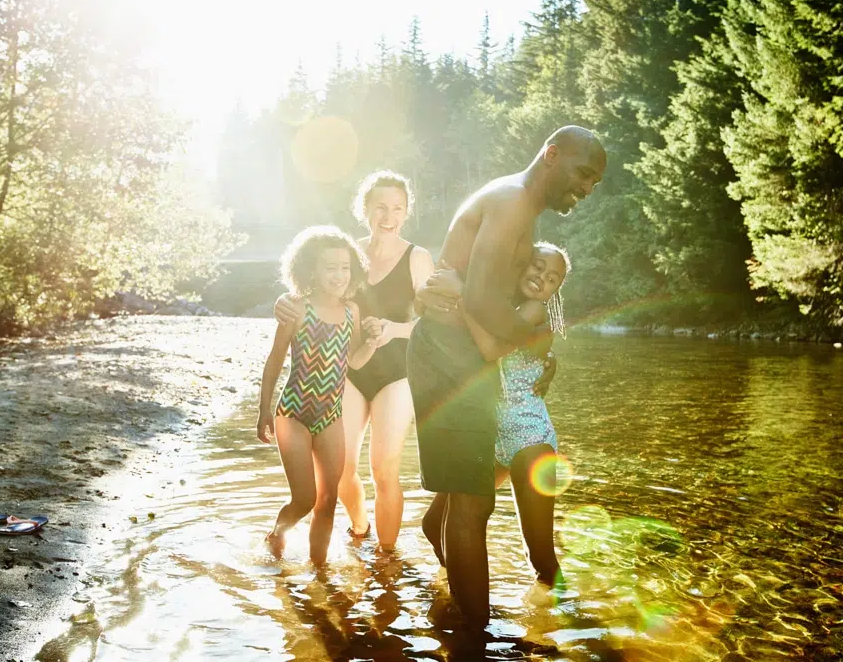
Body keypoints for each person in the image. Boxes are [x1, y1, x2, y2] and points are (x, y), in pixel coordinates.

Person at [408, 125, 605, 626]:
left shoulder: (521, 210)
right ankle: (474, 639)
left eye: (594, 183)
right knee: (473, 507)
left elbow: (485, 294)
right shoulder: (513, 200)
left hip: (469, 361)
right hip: (450, 360)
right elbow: (479, 302)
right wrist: (513, 333)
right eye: (583, 175)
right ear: (551, 154)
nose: (585, 189)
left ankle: (466, 623)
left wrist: (538, 350)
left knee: (467, 504)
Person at [274, 172, 434, 551]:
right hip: (350, 371)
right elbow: (312, 290)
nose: (388, 215)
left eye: (397, 207)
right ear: (365, 209)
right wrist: (282, 302)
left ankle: (387, 559)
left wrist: (394, 330)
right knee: (342, 469)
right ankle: (360, 526)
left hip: (396, 373)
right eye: (380, 206)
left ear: (407, 211)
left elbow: (434, 323)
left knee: (383, 468)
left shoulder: (418, 258)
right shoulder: (349, 254)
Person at [421, 243, 572, 589]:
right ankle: (455, 587)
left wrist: (463, 293)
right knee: (433, 525)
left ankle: (561, 620)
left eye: (552, 279)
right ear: (519, 264)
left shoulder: (533, 310)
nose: (541, 279)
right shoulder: (498, 306)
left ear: (554, 292)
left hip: (529, 438)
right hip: (489, 437)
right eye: (536, 267)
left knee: (541, 557)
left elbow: (490, 348)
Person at [257, 226, 381, 566]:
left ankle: (319, 572)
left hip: (331, 416)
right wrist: (263, 409)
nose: (339, 275)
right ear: (311, 269)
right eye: (330, 267)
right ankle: (277, 533)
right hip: (293, 412)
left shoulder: (352, 311)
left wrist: (370, 343)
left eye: (345, 267)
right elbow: (275, 359)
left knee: (327, 501)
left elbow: (352, 359)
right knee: (304, 499)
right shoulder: (296, 309)